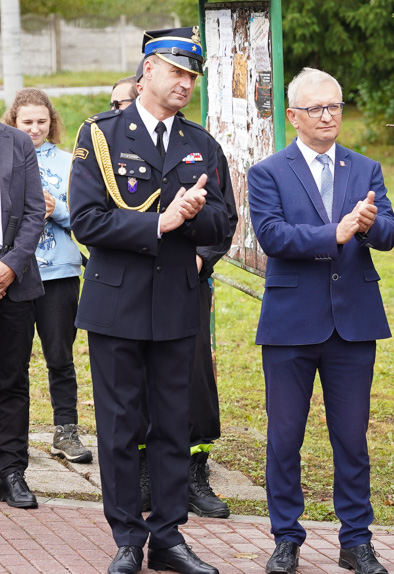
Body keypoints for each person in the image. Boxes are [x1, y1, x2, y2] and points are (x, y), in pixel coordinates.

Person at [69, 26, 230, 574]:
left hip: (177, 305)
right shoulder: (101, 135)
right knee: (119, 428)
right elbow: (88, 219)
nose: (186, 83)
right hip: (116, 304)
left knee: (172, 426)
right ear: (149, 71)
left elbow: (224, 222)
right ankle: (125, 539)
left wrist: (198, 239)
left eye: (193, 75)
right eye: (178, 72)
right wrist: (161, 222)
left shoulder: (201, 145)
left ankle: (167, 537)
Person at [247, 67, 394, 574]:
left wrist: (372, 224)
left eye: (335, 106)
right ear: (293, 115)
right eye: (317, 108)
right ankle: (286, 538)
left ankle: (356, 540)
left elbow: (389, 234)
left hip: (353, 324)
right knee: (285, 437)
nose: (329, 115)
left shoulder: (365, 168)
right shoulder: (268, 171)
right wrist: (332, 234)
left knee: (352, 439)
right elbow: (271, 236)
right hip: (291, 323)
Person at [127, 63, 238, 519]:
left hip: (186, 281)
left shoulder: (199, 144)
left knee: (191, 379)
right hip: (133, 283)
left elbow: (224, 214)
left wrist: (199, 258)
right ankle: (144, 470)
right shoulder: (110, 142)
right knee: (134, 383)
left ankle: (193, 470)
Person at [2, 89, 91, 465]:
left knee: (60, 355)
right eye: (28, 122)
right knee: (12, 362)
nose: (35, 128)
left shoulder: (70, 162)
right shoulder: (7, 156)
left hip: (59, 273)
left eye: (42, 122)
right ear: (14, 123)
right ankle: (12, 440)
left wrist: (56, 209)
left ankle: (65, 430)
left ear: (52, 123)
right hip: (16, 275)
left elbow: (87, 218)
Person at [0, 108, 45, 509]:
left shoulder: (17, 142)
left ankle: (12, 470)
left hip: (13, 282)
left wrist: (11, 266)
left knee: (12, 380)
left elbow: (34, 213)